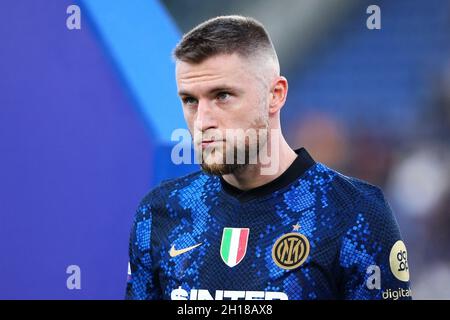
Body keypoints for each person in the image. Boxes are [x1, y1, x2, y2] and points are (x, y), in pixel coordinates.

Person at [125, 15, 411, 300]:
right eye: (190, 100)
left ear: (275, 95)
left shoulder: (354, 213)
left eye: (222, 95)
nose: (202, 121)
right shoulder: (161, 212)